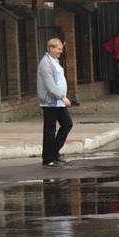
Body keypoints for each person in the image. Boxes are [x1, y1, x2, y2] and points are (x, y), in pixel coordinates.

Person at [37, 37, 73, 168]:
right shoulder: (45, 64)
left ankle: (54, 152)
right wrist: (62, 97)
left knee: (67, 124)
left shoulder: (54, 61)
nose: (60, 52)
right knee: (50, 130)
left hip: (57, 101)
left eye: (61, 49)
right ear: (50, 48)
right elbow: (50, 86)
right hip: (50, 101)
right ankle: (47, 158)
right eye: (58, 49)